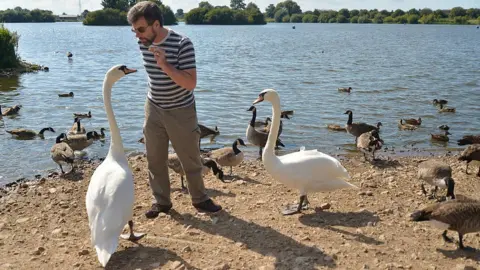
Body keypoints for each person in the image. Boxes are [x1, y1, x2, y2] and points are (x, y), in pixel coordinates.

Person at [127, 1, 222, 218]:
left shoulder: (182, 44)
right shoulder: (144, 42)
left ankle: (200, 199)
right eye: (134, 31)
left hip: (181, 109)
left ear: (157, 25)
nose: (137, 36)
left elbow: (190, 83)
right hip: (153, 106)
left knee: (190, 159)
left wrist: (166, 66)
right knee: (154, 158)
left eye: (140, 29)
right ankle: (162, 202)